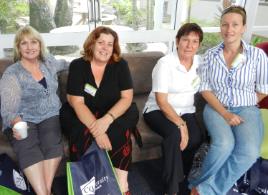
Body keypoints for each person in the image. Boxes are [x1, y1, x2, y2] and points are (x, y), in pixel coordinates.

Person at [189, 6, 268, 195]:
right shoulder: (210, 55)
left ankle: (203, 190)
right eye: (225, 24)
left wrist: (245, 104)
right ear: (220, 28)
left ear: (243, 28)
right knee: (224, 145)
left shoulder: (257, 56)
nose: (229, 29)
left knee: (249, 152)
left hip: (247, 109)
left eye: (235, 24)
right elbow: (205, 89)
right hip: (217, 108)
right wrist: (226, 113)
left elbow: (264, 89)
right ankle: (198, 186)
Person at [60, 26, 138, 194]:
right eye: (101, 42)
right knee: (82, 132)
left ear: (114, 47)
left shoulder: (120, 65)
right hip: (82, 110)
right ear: (92, 44)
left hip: (112, 110)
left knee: (120, 128)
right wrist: (98, 132)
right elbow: (77, 102)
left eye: (110, 44)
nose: (105, 47)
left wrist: (107, 119)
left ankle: (122, 185)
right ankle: (87, 184)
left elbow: (127, 97)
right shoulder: (78, 65)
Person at [0, 25, 69, 195]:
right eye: (24, 43)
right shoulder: (12, 73)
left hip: (51, 115)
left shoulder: (49, 62)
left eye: (33, 42)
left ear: (40, 44)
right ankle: (44, 192)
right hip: (23, 119)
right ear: (18, 47)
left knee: (52, 143)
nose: (30, 47)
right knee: (27, 147)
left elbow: (65, 63)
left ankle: (43, 191)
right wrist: (16, 123)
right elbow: (9, 109)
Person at [143, 23, 204, 195]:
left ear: (199, 45)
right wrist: (181, 125)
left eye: (195, 41)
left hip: (186, 110)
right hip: (158, 109)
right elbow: (162, 101)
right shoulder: (165, 63)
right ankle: (171, 189)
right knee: (174, 135)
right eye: (185, 40)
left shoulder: (200, 62)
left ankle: (182, 176)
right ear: (177, 41)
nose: (189, 45)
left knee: (196, 138)